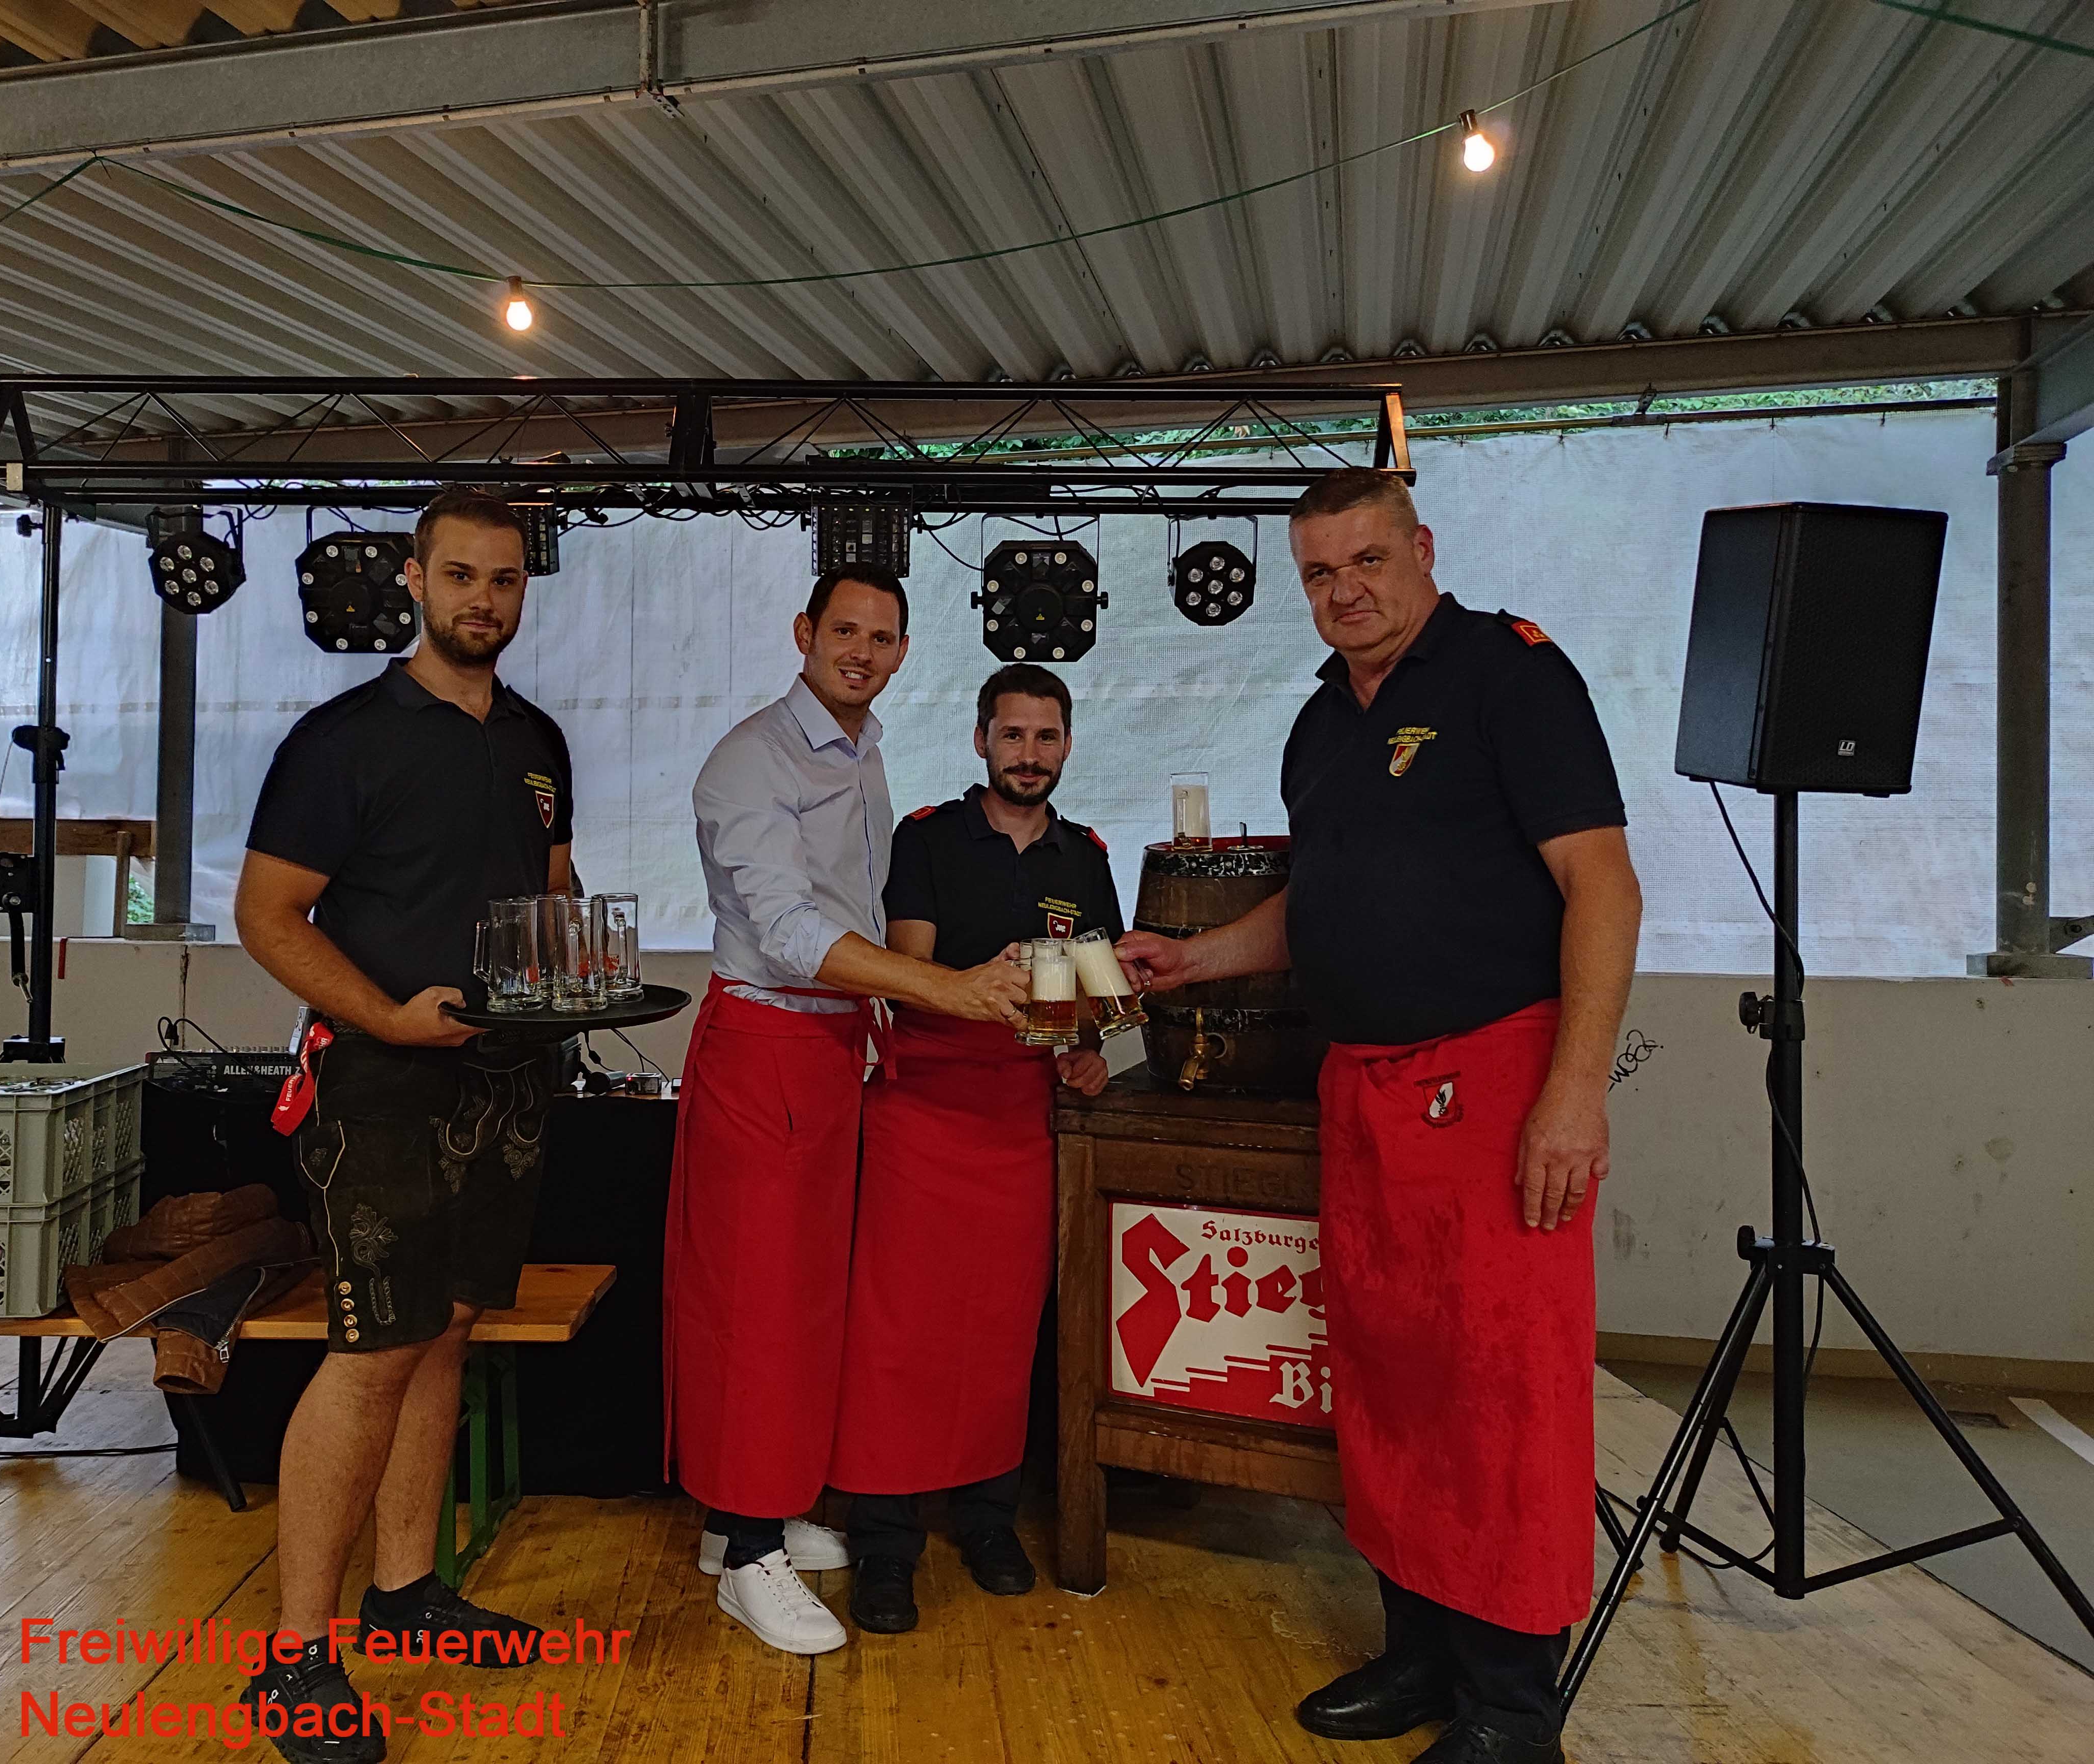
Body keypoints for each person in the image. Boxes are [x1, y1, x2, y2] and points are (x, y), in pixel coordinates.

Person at [1119, 469, 1641, 1764]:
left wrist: (1573, 1090)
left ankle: (1512, 1703)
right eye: (1318, 572)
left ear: (1421, 548)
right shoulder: (1319, 722)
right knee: (1389, 1378)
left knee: (1500, 1387)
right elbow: (1317, 905)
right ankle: (1421, 1649)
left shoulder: (1511, 675)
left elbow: (1604, 886)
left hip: (1494, 1076)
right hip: (1360, 1084)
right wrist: (1194, 959)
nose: (1344, 590)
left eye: (1366, 559)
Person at [234, 486, 573, 1764]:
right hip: (378, 1083)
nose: (485, 598)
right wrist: (383, 1012)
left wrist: (584, 965)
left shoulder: (537, 740)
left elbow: (551, 892)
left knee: (449, 1330)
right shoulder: (341, 741)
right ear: (416, 582)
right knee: (374, 1349)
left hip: (503, 1083)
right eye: (462, 575)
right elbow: (267, 915)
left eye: (506, 579)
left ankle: (407, 1590)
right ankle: (294, 1660)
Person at [671, 565, 1031, 1656]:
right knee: (758, 1301)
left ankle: (753, 1512)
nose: (861, 651)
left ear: (904, 652)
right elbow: (786, 928)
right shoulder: (751, 757)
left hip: (833, 1045)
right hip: (768, 1040)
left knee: (809, 1301)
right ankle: (747, 1552)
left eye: (882, 637)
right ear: (804, 632)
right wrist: (946, 990)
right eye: (845, 630)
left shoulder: (862, 748)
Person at [829, 662, 1121, 1635]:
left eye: (1046, 737)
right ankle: (885, 1541)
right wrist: (981, 984)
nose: (1029, 754)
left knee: (1005, 1332)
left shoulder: (1086, 856)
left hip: (1022, 1119)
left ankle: (989, 1520)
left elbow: (1100, 996)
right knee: (897, 1336)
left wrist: (1087, 1051)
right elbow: (908, 971)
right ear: (981, 741)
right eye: (1013, 735)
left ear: (1067, 745)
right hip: (923, 1108)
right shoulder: (927, 838)